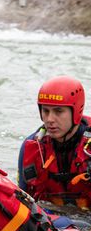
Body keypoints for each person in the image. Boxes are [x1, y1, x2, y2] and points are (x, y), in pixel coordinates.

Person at [18, 76, 91, 211]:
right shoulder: (32, 146)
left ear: (76, 112)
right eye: (46, 111)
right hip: (50, 219)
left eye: (58, 111)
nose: (50, 119)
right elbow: (22, 202)